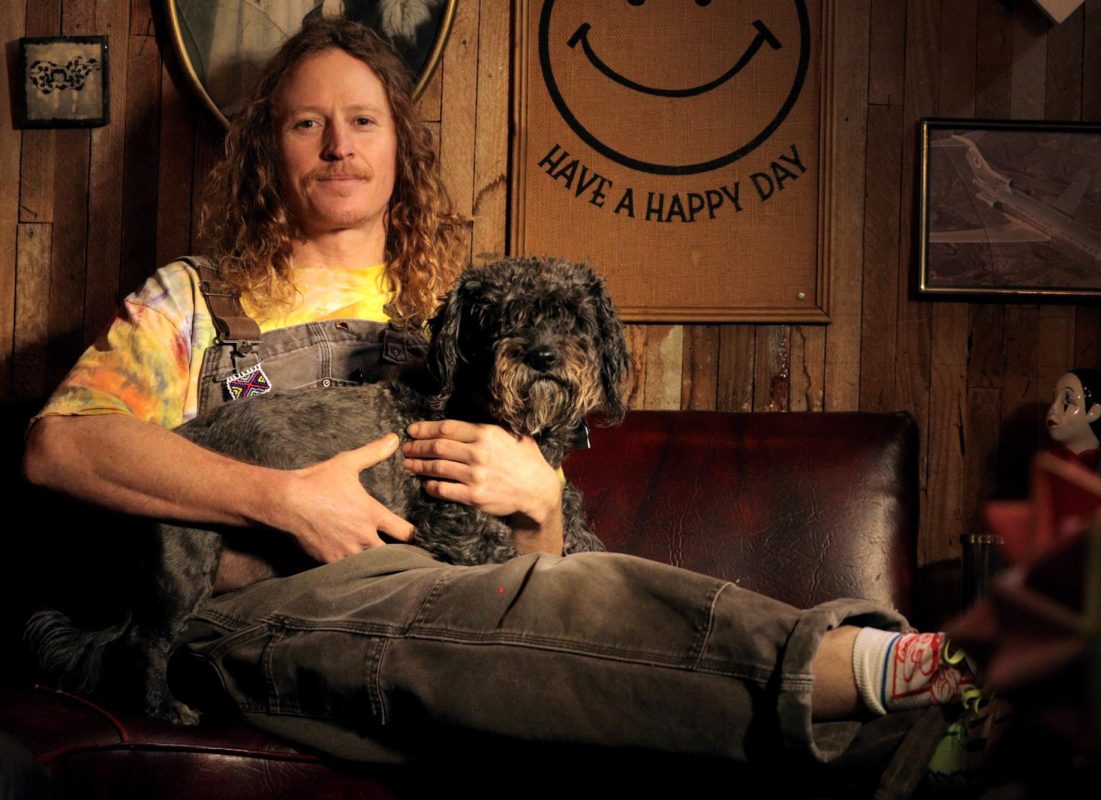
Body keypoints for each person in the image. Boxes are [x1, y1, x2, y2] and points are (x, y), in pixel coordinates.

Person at [22, 18, 976, 767]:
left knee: (525, 610)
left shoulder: (465, 318)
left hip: (447, 600)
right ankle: (873, 670)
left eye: (363, 121)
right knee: (477, 626)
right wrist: (281, 500)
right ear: (267, 149)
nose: (336, 144)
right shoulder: (191, 299)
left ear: (401, 147)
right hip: (266, 611)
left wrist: (539, 500)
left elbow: (542, 565)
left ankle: (893, 714)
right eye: (305, 122)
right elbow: (60, 447)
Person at [1045, 368, 1101, 471]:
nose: (1053, 408)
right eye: (1054, 399)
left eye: (1067, 400)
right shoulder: (1047, 465)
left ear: (1093, 412)